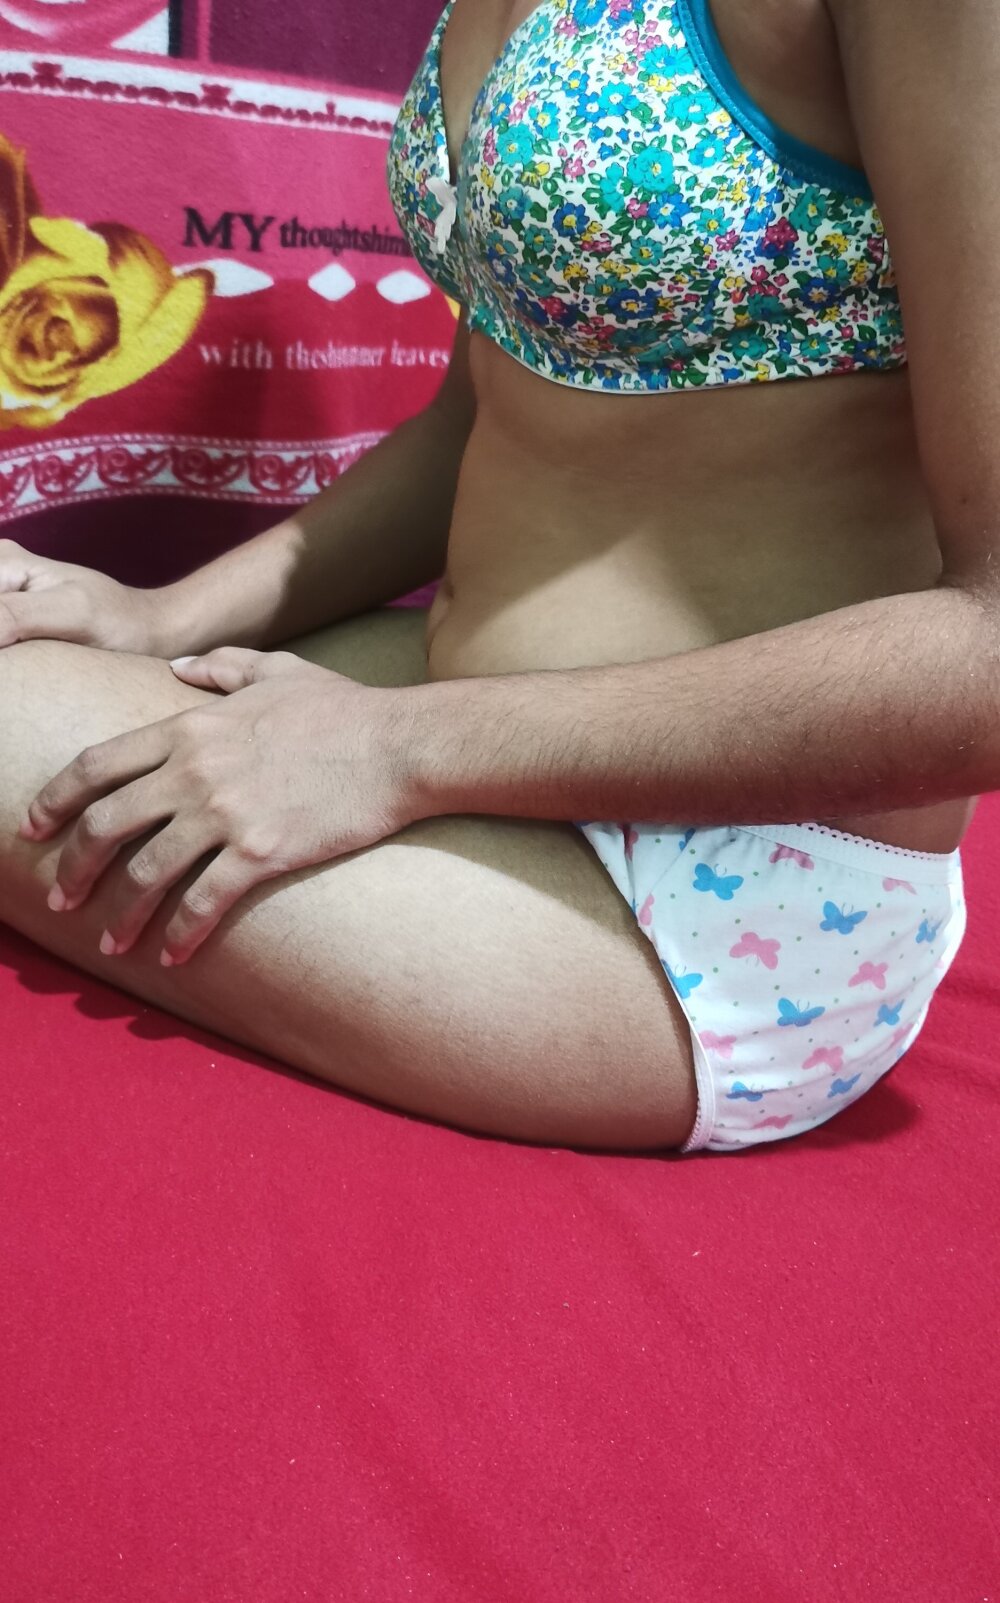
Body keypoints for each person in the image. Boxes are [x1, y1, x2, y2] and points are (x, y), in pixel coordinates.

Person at [0, 0, 993, 1154]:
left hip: (726, 885)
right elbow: (487, 416)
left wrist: (393, 750)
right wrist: (156, 614)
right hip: (463, 726)